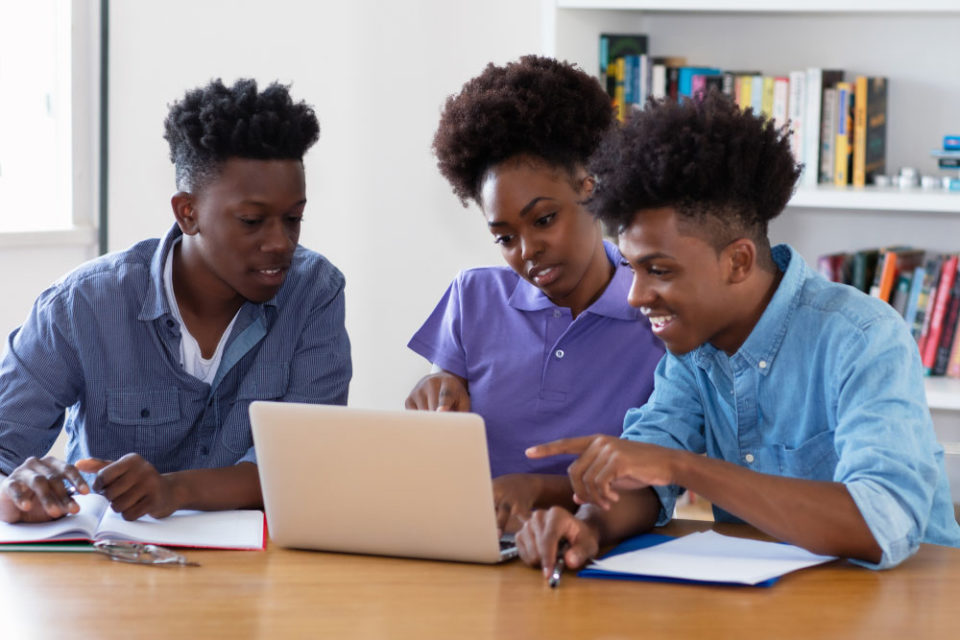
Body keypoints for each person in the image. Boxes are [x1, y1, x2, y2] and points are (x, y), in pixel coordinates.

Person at [516, 90, 960, 574]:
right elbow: (645, 477)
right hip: (776, 606)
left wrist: (684, 468)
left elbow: (882, 521)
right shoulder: (691, 353)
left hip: (913, 605)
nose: (635, 296)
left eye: (659, 270)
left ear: (738, 261)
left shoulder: (862, 337)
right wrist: (590, 527)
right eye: (632, 268)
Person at [0, 78, 351, 524]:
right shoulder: (81, 305)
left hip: (259, 576)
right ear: (188, 213)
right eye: (252, 221)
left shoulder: (316, 293)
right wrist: (20, 492)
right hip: (109, 575)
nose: (280, 243)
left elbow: (307, 465)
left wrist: (175, 489)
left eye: (293, 218)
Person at [406, 56, 664, 533]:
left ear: (591, 188)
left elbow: (655, 481)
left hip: (602, 550)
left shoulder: (657, 312)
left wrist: (539, 490)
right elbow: (443, 420)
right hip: (476, 545)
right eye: (504, 237)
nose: (528, 251)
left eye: (544, 219)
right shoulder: (473, 297)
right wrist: (438, 387)